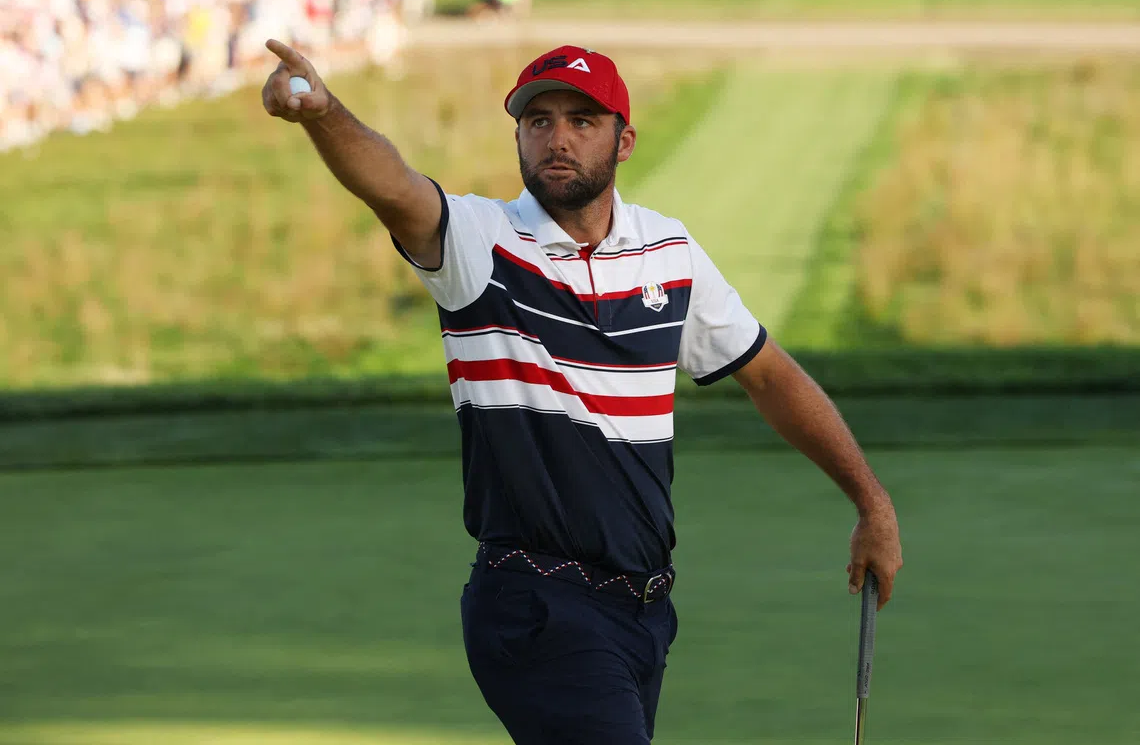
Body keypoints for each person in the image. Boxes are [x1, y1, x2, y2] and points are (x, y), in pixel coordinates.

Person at [260, 40, 904, 744]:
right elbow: (393, 186)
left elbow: (771, 374)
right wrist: (323, 114)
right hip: (537, 605)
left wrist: (871, 503)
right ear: (518, 139)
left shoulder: (669, 252)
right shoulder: (483, 245)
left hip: (645, 611)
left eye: (581, 120)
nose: (557, 138)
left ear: (624, 140)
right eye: (538, 122)